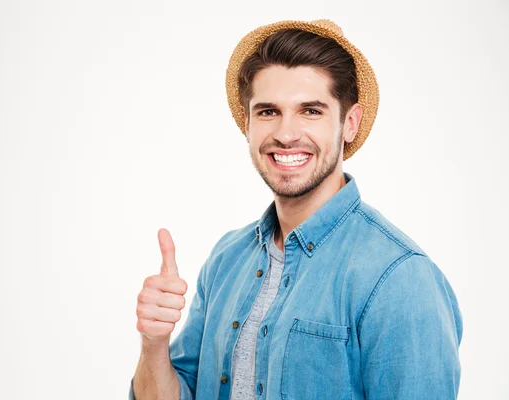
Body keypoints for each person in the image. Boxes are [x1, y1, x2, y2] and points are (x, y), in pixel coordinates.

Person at [129, 19, 463, 399]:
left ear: (349, 123)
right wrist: (154, 343)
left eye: (310, 111)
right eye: (269, 111)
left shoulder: (399, 278)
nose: (286, 135)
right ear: (248, 122)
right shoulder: (226, 259)